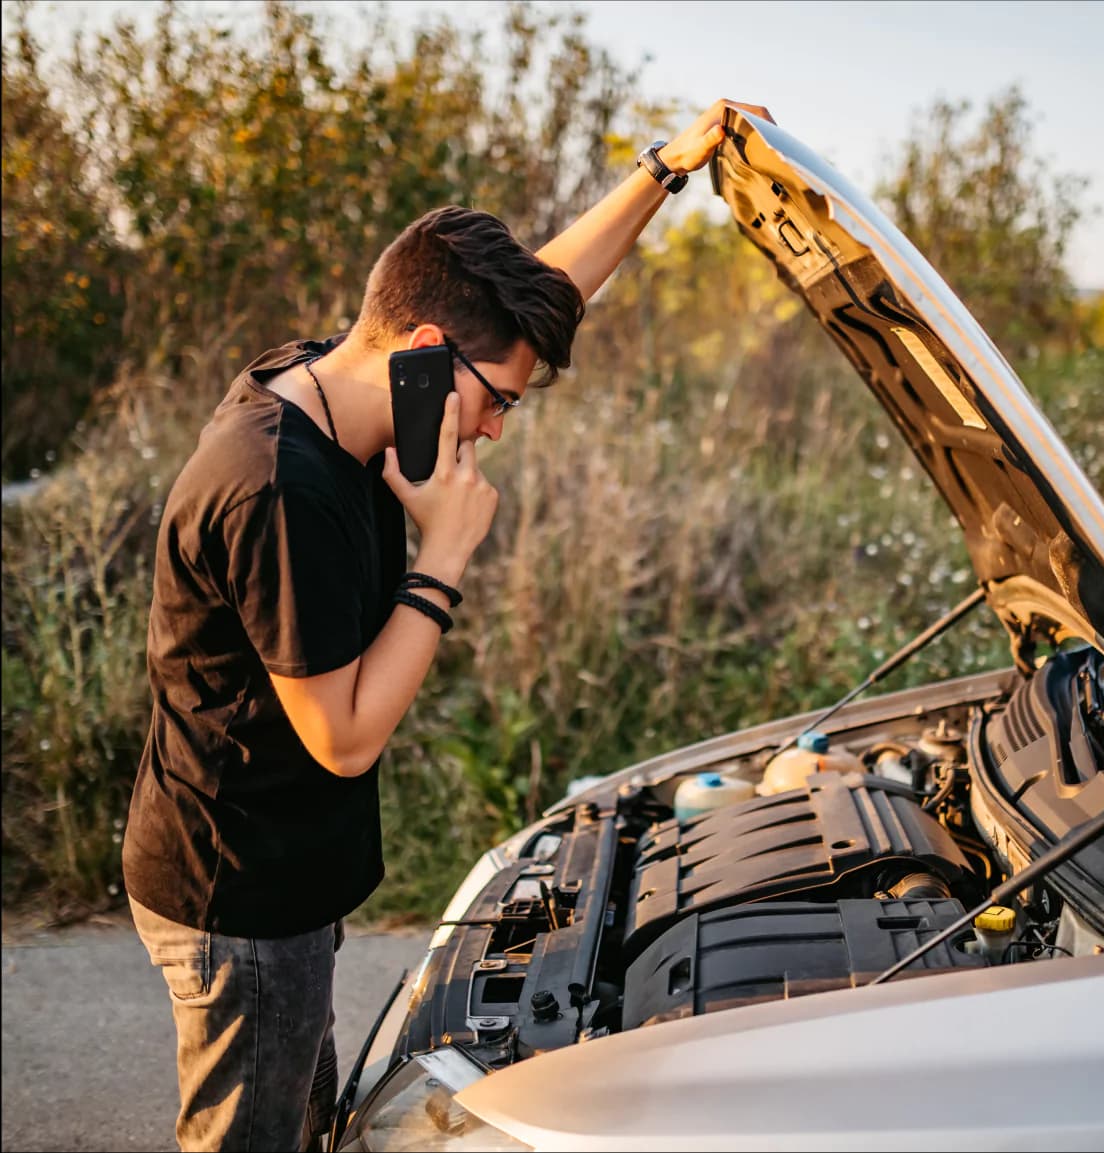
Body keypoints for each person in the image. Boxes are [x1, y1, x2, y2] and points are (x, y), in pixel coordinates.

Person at [121, 98, 773, 1152]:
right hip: (240, 892)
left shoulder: (345, 381)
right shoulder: (278, 488)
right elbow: (343, 736)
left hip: (283, 870)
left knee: (302, 1121)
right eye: (500, 399)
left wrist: (664, 171)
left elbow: (539, 298)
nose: (499, 427)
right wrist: (447, 552)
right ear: (425, 350)